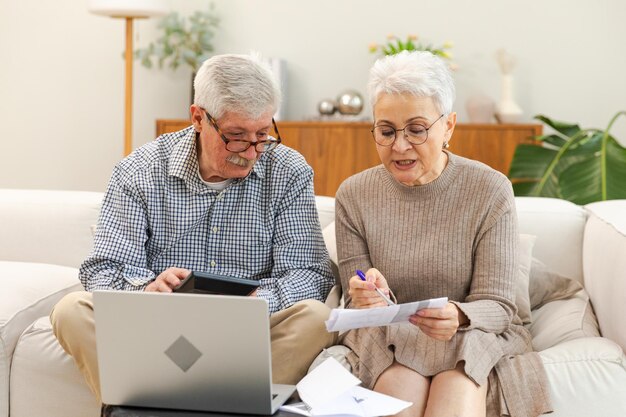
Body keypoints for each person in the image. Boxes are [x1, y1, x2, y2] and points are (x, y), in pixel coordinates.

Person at [51, 53, 337, 403]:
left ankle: (163, 406)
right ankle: (202, 404)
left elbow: (310, 273)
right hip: (157, 330)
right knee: (71, 310)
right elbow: (104, 268)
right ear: (198, 117)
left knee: (317, 318)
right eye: (235, 136)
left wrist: (258, 301)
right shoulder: (139, 170)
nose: (250, 152)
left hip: (250, 332)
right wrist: (147, 290)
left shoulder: (288, 170)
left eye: (262, 135)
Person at [334, 51, 552, 417]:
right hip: (389, 337)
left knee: (455, 392)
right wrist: (364, 296)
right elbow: (358, 303)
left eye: (416, 129)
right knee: (399, 390)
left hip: (469, 333)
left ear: (448, 126)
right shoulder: (353, 195)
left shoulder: (489, 189)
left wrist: (460, 315)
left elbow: (497, 305)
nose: (399, 146)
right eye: (386, 131)